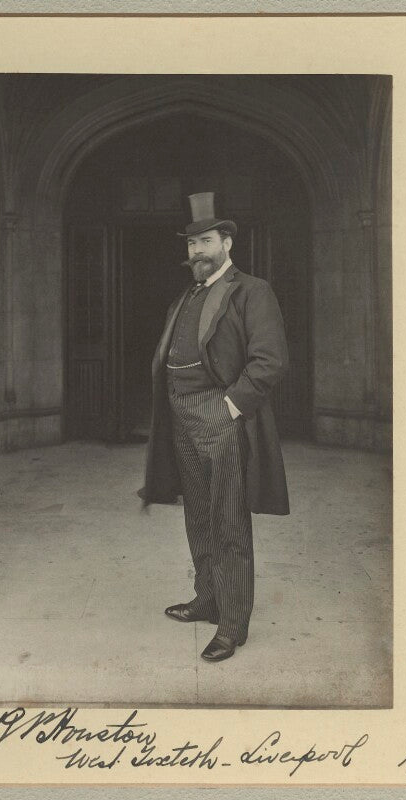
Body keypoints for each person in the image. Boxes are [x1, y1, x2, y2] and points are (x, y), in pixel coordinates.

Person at [142, 192, 290, 662]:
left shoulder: (252, 291)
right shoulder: (187, 295)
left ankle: (232, 624)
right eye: (191, 244)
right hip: (181, 415)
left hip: (220, 416)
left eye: (205, 241)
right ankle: (207, 598)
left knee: (228, 521)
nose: (197, 251)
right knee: (198, 515)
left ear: (227, 243)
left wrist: (229, 407)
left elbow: (270, 361)